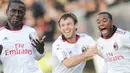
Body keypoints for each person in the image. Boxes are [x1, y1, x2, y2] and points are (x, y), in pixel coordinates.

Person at [0, 1, 45, 73]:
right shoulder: (1, 34)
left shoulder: (31, 31)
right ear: (6, 12)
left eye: (20, 12)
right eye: (13, 11)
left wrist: (41, 51)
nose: (16, 14)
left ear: (24, 14)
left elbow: (38, 57)